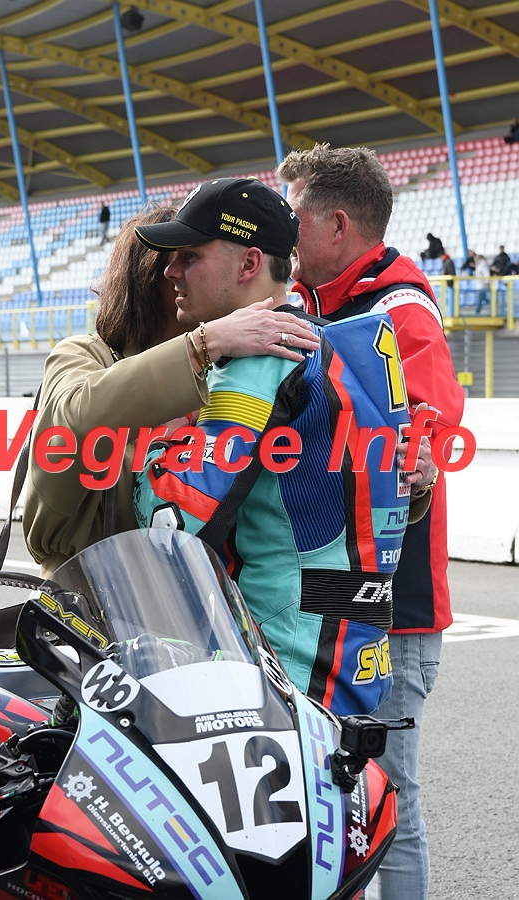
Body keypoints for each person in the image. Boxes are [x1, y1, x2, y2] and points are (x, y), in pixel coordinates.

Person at [133, 176, 436, 718]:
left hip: (282, 667)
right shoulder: (346, 344)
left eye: (189, 256)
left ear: (249, 264)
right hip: (355, 649)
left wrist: (156, 430)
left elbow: (171, 519)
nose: (170, 271)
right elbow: (393, 487)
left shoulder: (261, 357)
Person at [275, 143, 465, 900]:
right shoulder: (307, 304)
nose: (283, 233)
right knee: (328, 790)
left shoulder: (399, 307)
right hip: (326, 596)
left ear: (337, 225)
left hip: (393, 605)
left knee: (387, 796)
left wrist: (416, 459)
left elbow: (430, 426)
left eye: (293, 217)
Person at [23, 205, 320, 578]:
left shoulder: (228, 368)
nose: (177, 272)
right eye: (176, 259)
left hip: (192, 595)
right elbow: (77, 416)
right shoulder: (85, 354)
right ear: (145, 278)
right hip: (88, 590)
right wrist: (201, 345)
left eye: (191, 258)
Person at [440, 250, 456, 315]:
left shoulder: (448, 262)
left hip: (449, 284)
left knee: (450, 298)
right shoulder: (447, 261)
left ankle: (450, 312)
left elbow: (450, 272)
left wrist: (449, 283)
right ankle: (449, 311)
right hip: (448, 283)